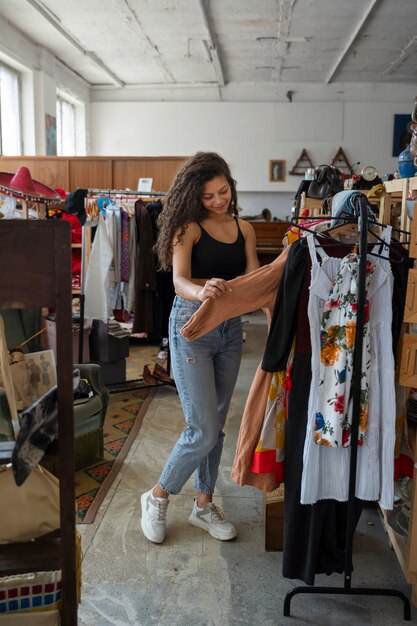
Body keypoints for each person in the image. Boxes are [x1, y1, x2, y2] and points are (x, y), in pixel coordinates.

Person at [141, 151, 259, 543]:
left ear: (231, 185)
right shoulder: (186, 228)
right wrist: (202, 289)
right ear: (194, 197)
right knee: (203, 428)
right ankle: (158, 495)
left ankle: (203, 507)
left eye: (222, 191)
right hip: (191, 326)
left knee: (217, 425)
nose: (218, 200)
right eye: (208, 196)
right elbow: (179, 281)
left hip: (230, 330)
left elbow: (255, 280)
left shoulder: (244, 229)